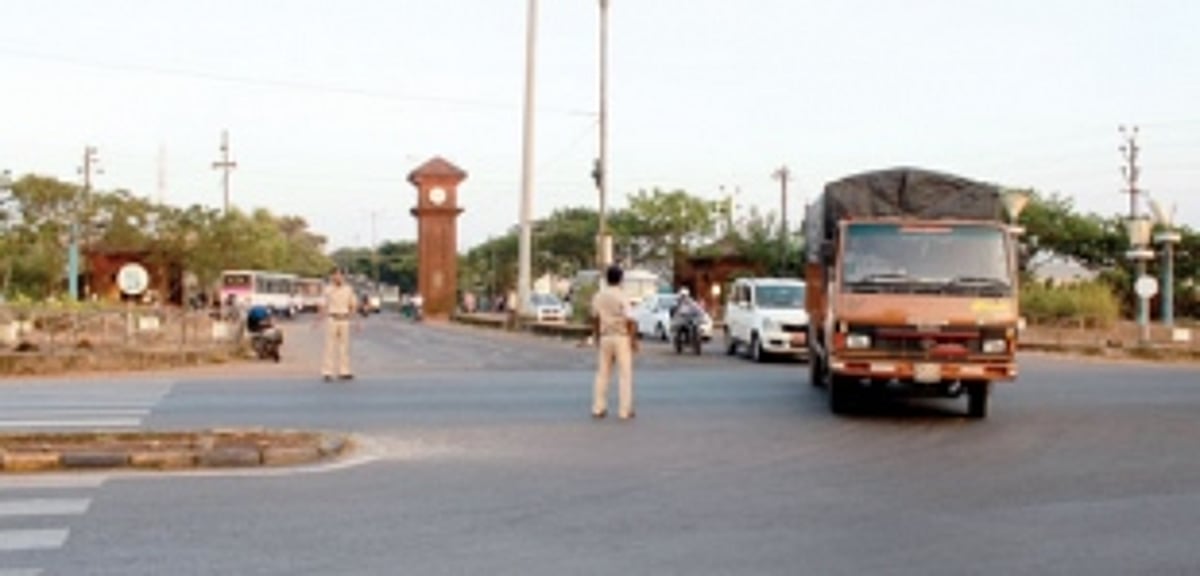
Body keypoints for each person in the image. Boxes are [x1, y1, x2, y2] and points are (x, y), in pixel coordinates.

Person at [590, 265, 637, 420]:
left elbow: (595, 319)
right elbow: (630, 320)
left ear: (607, 279)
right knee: (624, 375)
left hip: (605, 337)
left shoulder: (599, 296)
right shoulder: (622, 296)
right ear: (621, 279)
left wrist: (597, 336)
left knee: (602, 374)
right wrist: (633, 339)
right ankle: (624, 411)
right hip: (621, 337)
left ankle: (598, 408)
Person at [320, 269, 359, 382]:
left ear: (343, 277)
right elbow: (323, 304)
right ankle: (327, 372)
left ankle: (344, 371)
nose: (338, 278)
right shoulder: (328, 290)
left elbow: (353, 305)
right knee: (329, 346)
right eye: (335, 275)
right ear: (332, 277)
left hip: (344, 319)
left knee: (344, 347)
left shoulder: (348, 289)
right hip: (332, 318)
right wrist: (319, 318)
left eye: (340, 275)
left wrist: (356, 321)